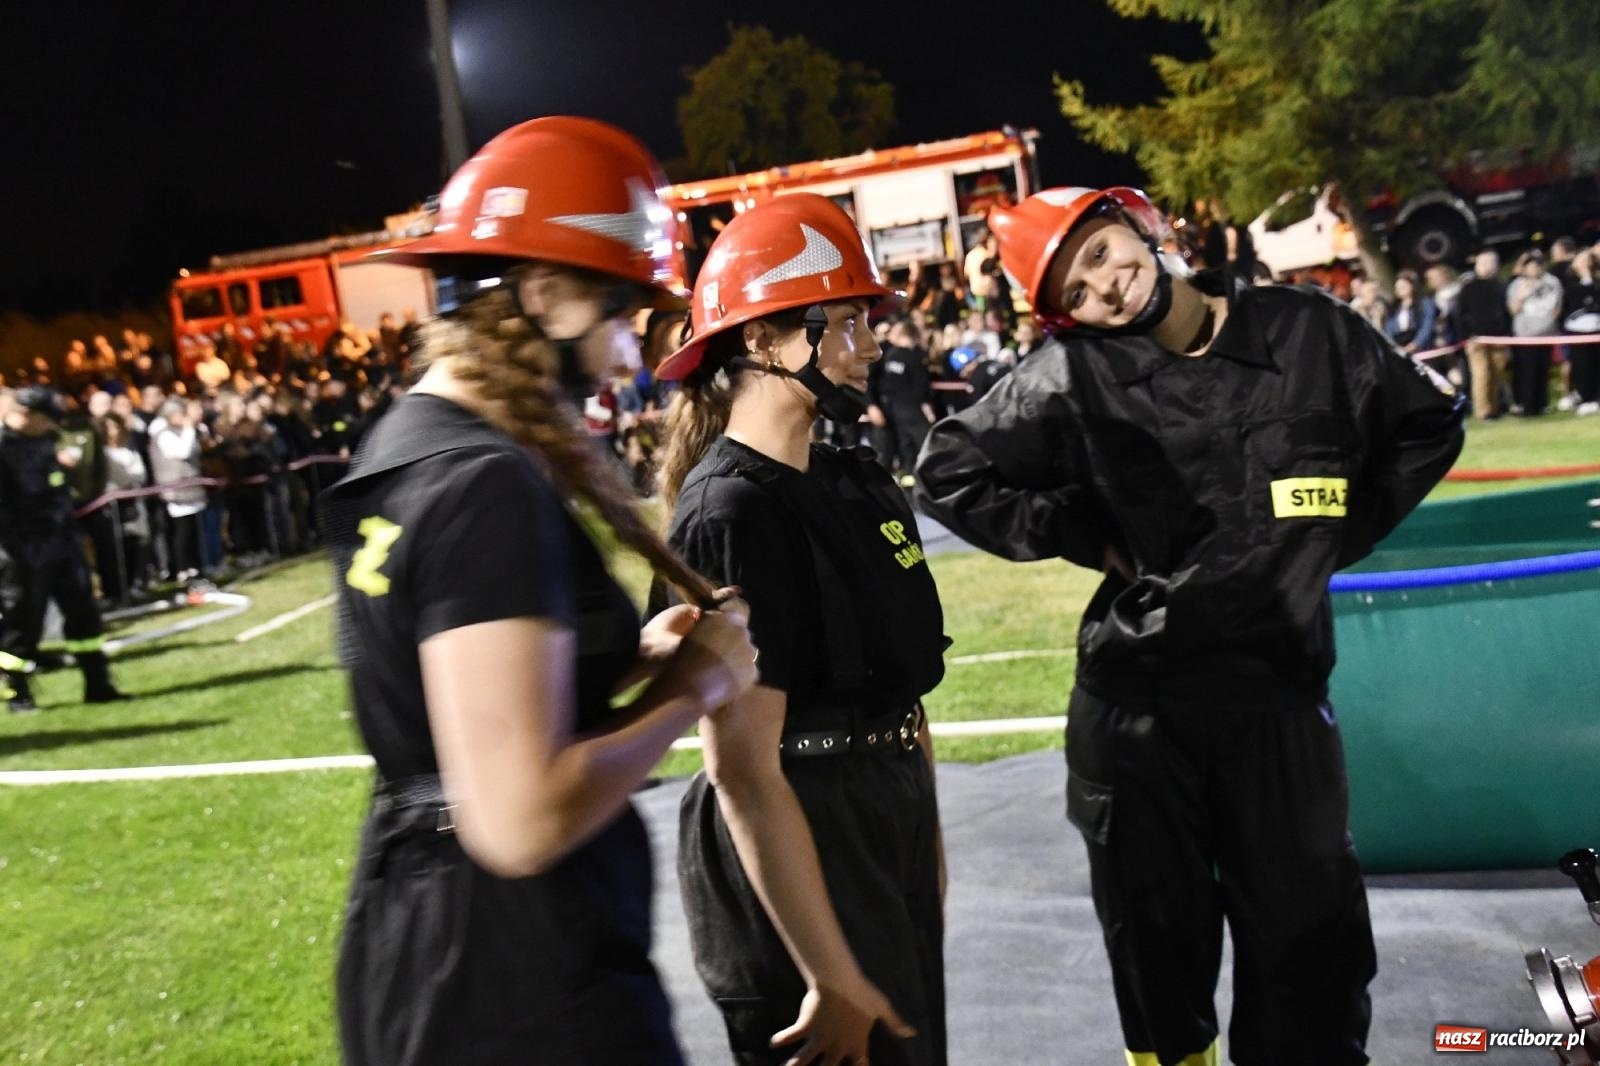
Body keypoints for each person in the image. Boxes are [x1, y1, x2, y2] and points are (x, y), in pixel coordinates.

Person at [916, 185, 1465, 1066]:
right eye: (1076, 293)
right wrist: (1091, 539)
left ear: (1138, 226)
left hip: (1280, 709)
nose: (1106, 289)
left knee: (1312, 970)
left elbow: (1428, 421)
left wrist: (1328, 537)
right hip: (1139, 719)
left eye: (1098, 254)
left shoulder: (1308, 330)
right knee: (1160, 975)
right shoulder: (1072, 376)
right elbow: (947, 468)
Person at [321, 116, 760, 1066]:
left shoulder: (409, 444)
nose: (626, 357)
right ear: (546, 292)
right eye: (619, 317)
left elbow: (447, 707)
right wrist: (691, 691)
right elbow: (516, 820)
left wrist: (618, 660)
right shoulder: (485, 485)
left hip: (423, 941)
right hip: (511, 975)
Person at [653, 192, 949, 1066]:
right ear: (759, 340)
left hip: (882, 815)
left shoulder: (856, 477)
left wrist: (924, 849)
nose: (869, 345)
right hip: (803, 836)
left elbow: (902, 687)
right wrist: (828, 969)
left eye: (868, 321)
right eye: (843, 322)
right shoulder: (731, 510)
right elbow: (743, 768)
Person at [0, 386, 127, 712]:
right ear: (26, 415)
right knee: (22, 623)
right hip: (22, 550)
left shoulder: (43, 442)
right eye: (46, 420)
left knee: (84, 614)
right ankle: (18, 695)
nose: (51, 428)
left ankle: (98, 684)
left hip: (63, 541)